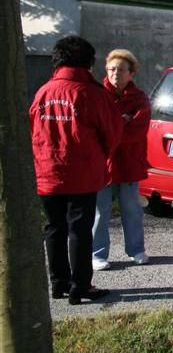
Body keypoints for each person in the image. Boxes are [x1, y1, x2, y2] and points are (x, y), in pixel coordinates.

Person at [30, 35, 122, 304]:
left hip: (47, 171)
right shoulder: (92, 93)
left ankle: (58, 283)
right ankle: (80, 286)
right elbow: (112, 133)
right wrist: (102, 155)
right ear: (88, 63)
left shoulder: (43, 91)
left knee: (53, 228)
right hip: (81, 173)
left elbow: (33, 128)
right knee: (79, 229)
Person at [92, 49, 151, 271]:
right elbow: (95, 129)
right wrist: (122, 121)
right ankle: (97, 254)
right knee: (100, 210)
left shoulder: (140, 98)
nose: (116, 73)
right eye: (112, 69)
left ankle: (136, 250)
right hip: (102, 163)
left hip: (129, 162)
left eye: (121, 69)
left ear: (131, 73)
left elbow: (138, 130)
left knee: (131, 209)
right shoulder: (97, 94)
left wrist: (113, 126)